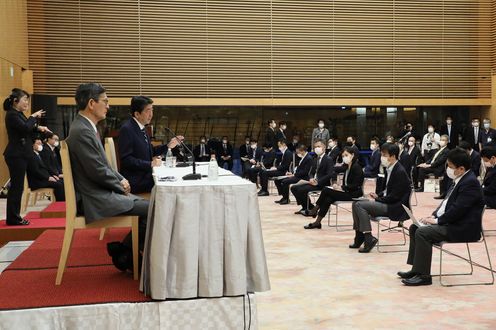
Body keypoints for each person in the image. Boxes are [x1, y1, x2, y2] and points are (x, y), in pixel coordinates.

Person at [66, 83, 149, 272]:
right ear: (91, 103)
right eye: (105, 101)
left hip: (100, 191)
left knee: (154, 206)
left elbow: (104, 166)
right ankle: (128, 256)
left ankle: (125, 253)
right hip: (95, 197)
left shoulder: (87, 127)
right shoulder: (82, 131)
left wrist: (120, 179)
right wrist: (120, 184)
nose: (108, 105)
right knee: (155, 208)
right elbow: (96, 171)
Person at [398, 148, 485, 286]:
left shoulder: (470, 183)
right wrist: (433, 216)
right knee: (415, 227)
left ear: (461, 168)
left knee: (422, 232)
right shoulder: (459, 179)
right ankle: (416, 269)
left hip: (462, 228)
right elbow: (446, 203)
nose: (448, 169)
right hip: (452, 223)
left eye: (450, 166)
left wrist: (438, 221)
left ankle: (424, 276)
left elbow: (458, 210)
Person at [350, 143, 411, 253]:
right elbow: (388, 190)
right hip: (388, 201)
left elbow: (395, 197)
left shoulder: (400, 171)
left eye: (384, 155)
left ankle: (368, 238)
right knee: (355, 203)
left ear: (392, 156)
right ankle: (359, 236)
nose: (382, 157)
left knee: (359, 205)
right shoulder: (390, 168)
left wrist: (377, 200)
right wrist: (379, 195)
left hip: (395, 207)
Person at [3, 88, 51, 226]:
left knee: (19, 187)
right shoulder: (12, 115)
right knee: (17, 188)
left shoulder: (18, 114)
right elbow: (24, 128)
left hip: (22, 154)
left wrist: (39, 128)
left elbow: (27, 127)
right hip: (16, 155)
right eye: (25, 100)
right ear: (15, 101)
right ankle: (13, 218)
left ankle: (14, 217)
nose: (27, 103)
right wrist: (33, 117)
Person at [119, 96, 181, 194]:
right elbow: (126, 160)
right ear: (137, 114)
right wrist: (150, 164)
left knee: (174, 179)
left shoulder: (142, 128)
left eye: (152, 110)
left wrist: (168, 146)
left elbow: (150, 150)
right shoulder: (127, 129)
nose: (151, 114)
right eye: (148, 111)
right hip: (137, 181)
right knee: (171, 187)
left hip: (146, 177)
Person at [304, 147, 364, 229]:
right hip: (346, 191)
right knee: (328, 199)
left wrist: (341, 187)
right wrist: (335, 183)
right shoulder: (346, 166)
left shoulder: (356, 167)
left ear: (352, 155)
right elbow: (334, 171)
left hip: (353, 193)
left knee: (325, 190)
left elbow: (356, 185)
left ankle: (314, 209)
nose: (344, 158)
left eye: (346, 155)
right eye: (343, 156)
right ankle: (317, 222)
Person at [291, 140, 334, 214]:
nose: (316, 148)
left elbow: (329, 174)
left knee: (302, 190)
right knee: (294, 187)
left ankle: (309, 207)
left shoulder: (328, 159)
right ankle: (306, 207)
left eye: (318, 146)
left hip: (322, 183)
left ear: (324, 147)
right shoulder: (315, 159)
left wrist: (318, 182)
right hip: (313, 181)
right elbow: (311, 172)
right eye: (315, 147)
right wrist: (311, 178)